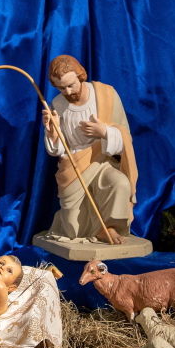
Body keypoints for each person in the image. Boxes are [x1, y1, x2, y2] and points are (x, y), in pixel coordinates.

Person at [41, 55, 138, 244]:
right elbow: (59, 149)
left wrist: (104, 132)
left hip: (102, 161)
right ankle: (77, 225)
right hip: (73, 167)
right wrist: (53, 133)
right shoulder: (57, 105)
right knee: (73, 231)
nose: (68, 91)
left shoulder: (106, 95)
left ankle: (108, 228)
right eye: (61, 87)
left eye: (71, 85)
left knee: (120, 183)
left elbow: (125, 135)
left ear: (80, 76)